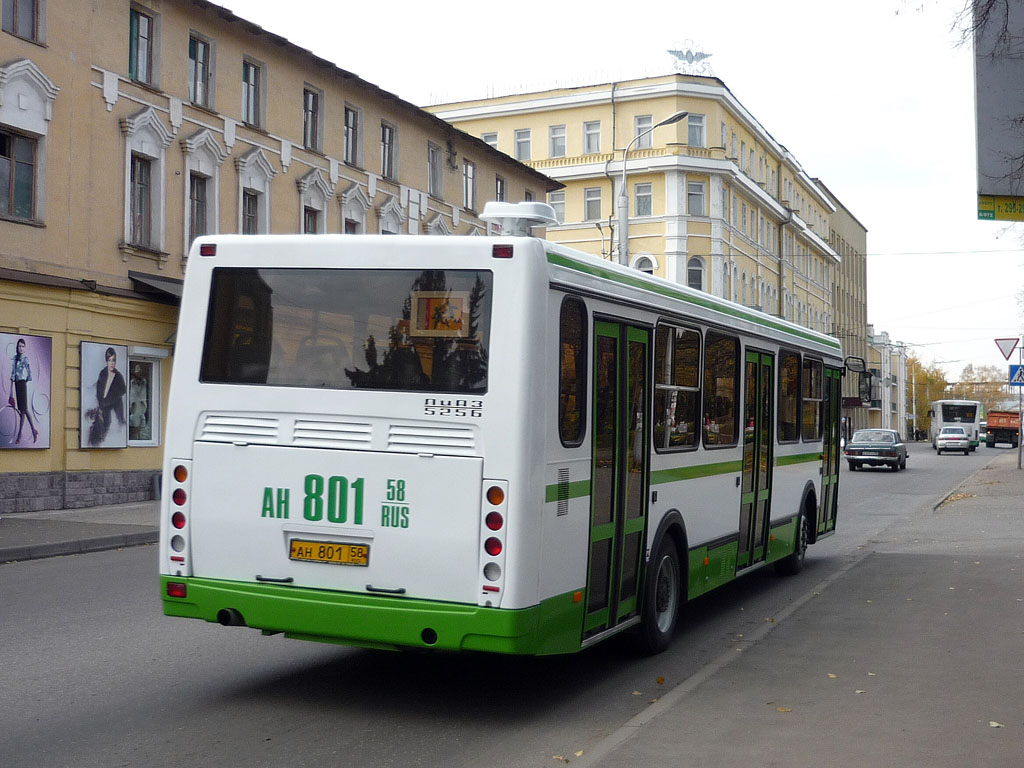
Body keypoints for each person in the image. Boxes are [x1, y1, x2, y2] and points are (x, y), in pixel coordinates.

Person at [87, 346, 127, 447]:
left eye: (114, 360)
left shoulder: (118, 376)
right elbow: (98, 391)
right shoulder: (103, 373)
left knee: (107, 423)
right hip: (101, 406)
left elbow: (123, 390)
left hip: (110, 406)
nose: (112, 363)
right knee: (98, 427)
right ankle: (96, 441)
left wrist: (110, 400)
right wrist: (100, 405)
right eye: (110, 360)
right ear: (106, 361)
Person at [10, 337, 40, 444]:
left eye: (23, 346)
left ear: (25, 348)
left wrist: (25, 381)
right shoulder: (15, 358)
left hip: (22, 384)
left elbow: (29, 373)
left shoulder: (25, 359)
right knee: (22, 410)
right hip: (17, 385)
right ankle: (24, 433)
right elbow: (12, 375)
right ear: (17, 347)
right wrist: (10, 392)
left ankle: (29, 431)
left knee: (25, 409)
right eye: (19, 346)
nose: (21, 348)